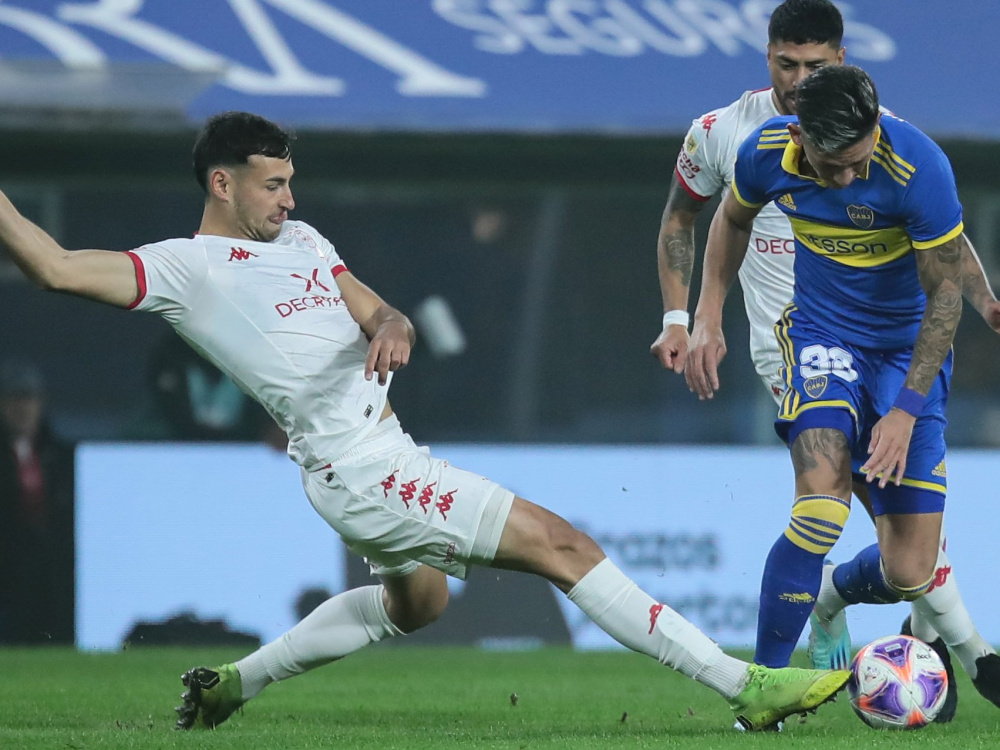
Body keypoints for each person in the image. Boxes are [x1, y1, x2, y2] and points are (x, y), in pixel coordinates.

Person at [0, 111, 849, 732]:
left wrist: (394, 324)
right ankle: (742, 684)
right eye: (273, 184)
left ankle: (235, 684)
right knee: (563, 546)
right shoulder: (189, 269)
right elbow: (54, 267)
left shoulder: (303, 240)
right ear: (222, 183)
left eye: (291, 182)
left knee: (419, 605)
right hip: (363, 469)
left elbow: (373, 307)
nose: (289, 198)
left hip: (378, 452)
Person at [651, 0, 1000, 720]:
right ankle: (760, 694)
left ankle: (835, 598)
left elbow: (943, 294)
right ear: (801, 137)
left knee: (909, 569)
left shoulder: (918, 164)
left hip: (906, 354)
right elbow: (728, 220)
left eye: (858, 162)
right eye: (832, 166)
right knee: (819, 503)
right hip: (820, 341)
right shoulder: (760, 150)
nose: (846, 179)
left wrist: (906, 410)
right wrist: (703, 312)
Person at [0, 358, 75, 644]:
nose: (23, 408)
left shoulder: (58, 454)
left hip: (50, 566)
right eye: (14, 400)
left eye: (29, 399)